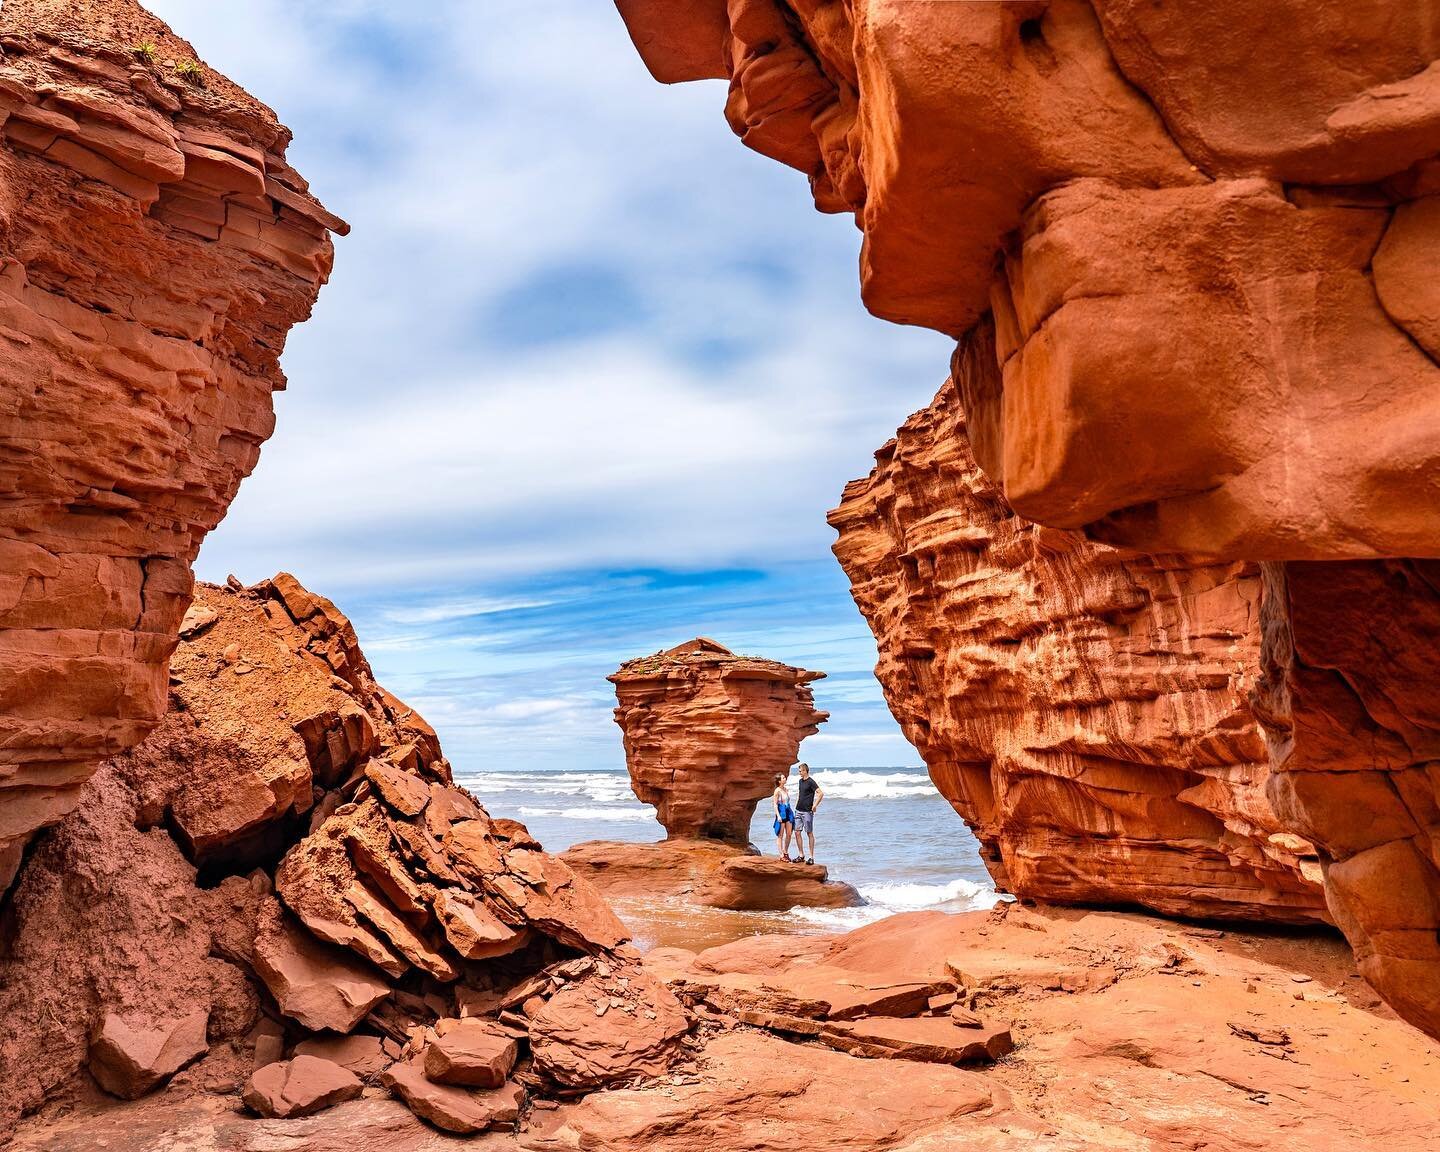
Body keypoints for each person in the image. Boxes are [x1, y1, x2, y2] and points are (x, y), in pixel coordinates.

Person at [793, 762, 823, 865]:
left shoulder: (811, 782)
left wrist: (814, 806)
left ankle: (811, 857)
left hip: (807, 812)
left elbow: (820, 793)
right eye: (799, 771)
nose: (799, 773)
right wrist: (796, 805)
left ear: (805, 771)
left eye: (800, 771)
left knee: (809, 833)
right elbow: (800, 795)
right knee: (797, 832)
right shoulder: (800, 781)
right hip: (798, 810)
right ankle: (801, 855)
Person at [771, 772, 795, 860]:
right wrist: (778, 816)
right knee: (780, 835)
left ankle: (785, 851)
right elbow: (775, 804)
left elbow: (787, 802)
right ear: (779, 781)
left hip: (788, 811)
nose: (785, 779)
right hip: (781, 812)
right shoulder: (777, 790)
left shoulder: (785, 789)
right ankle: (781, 854)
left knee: (789, 833)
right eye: (783, 778)